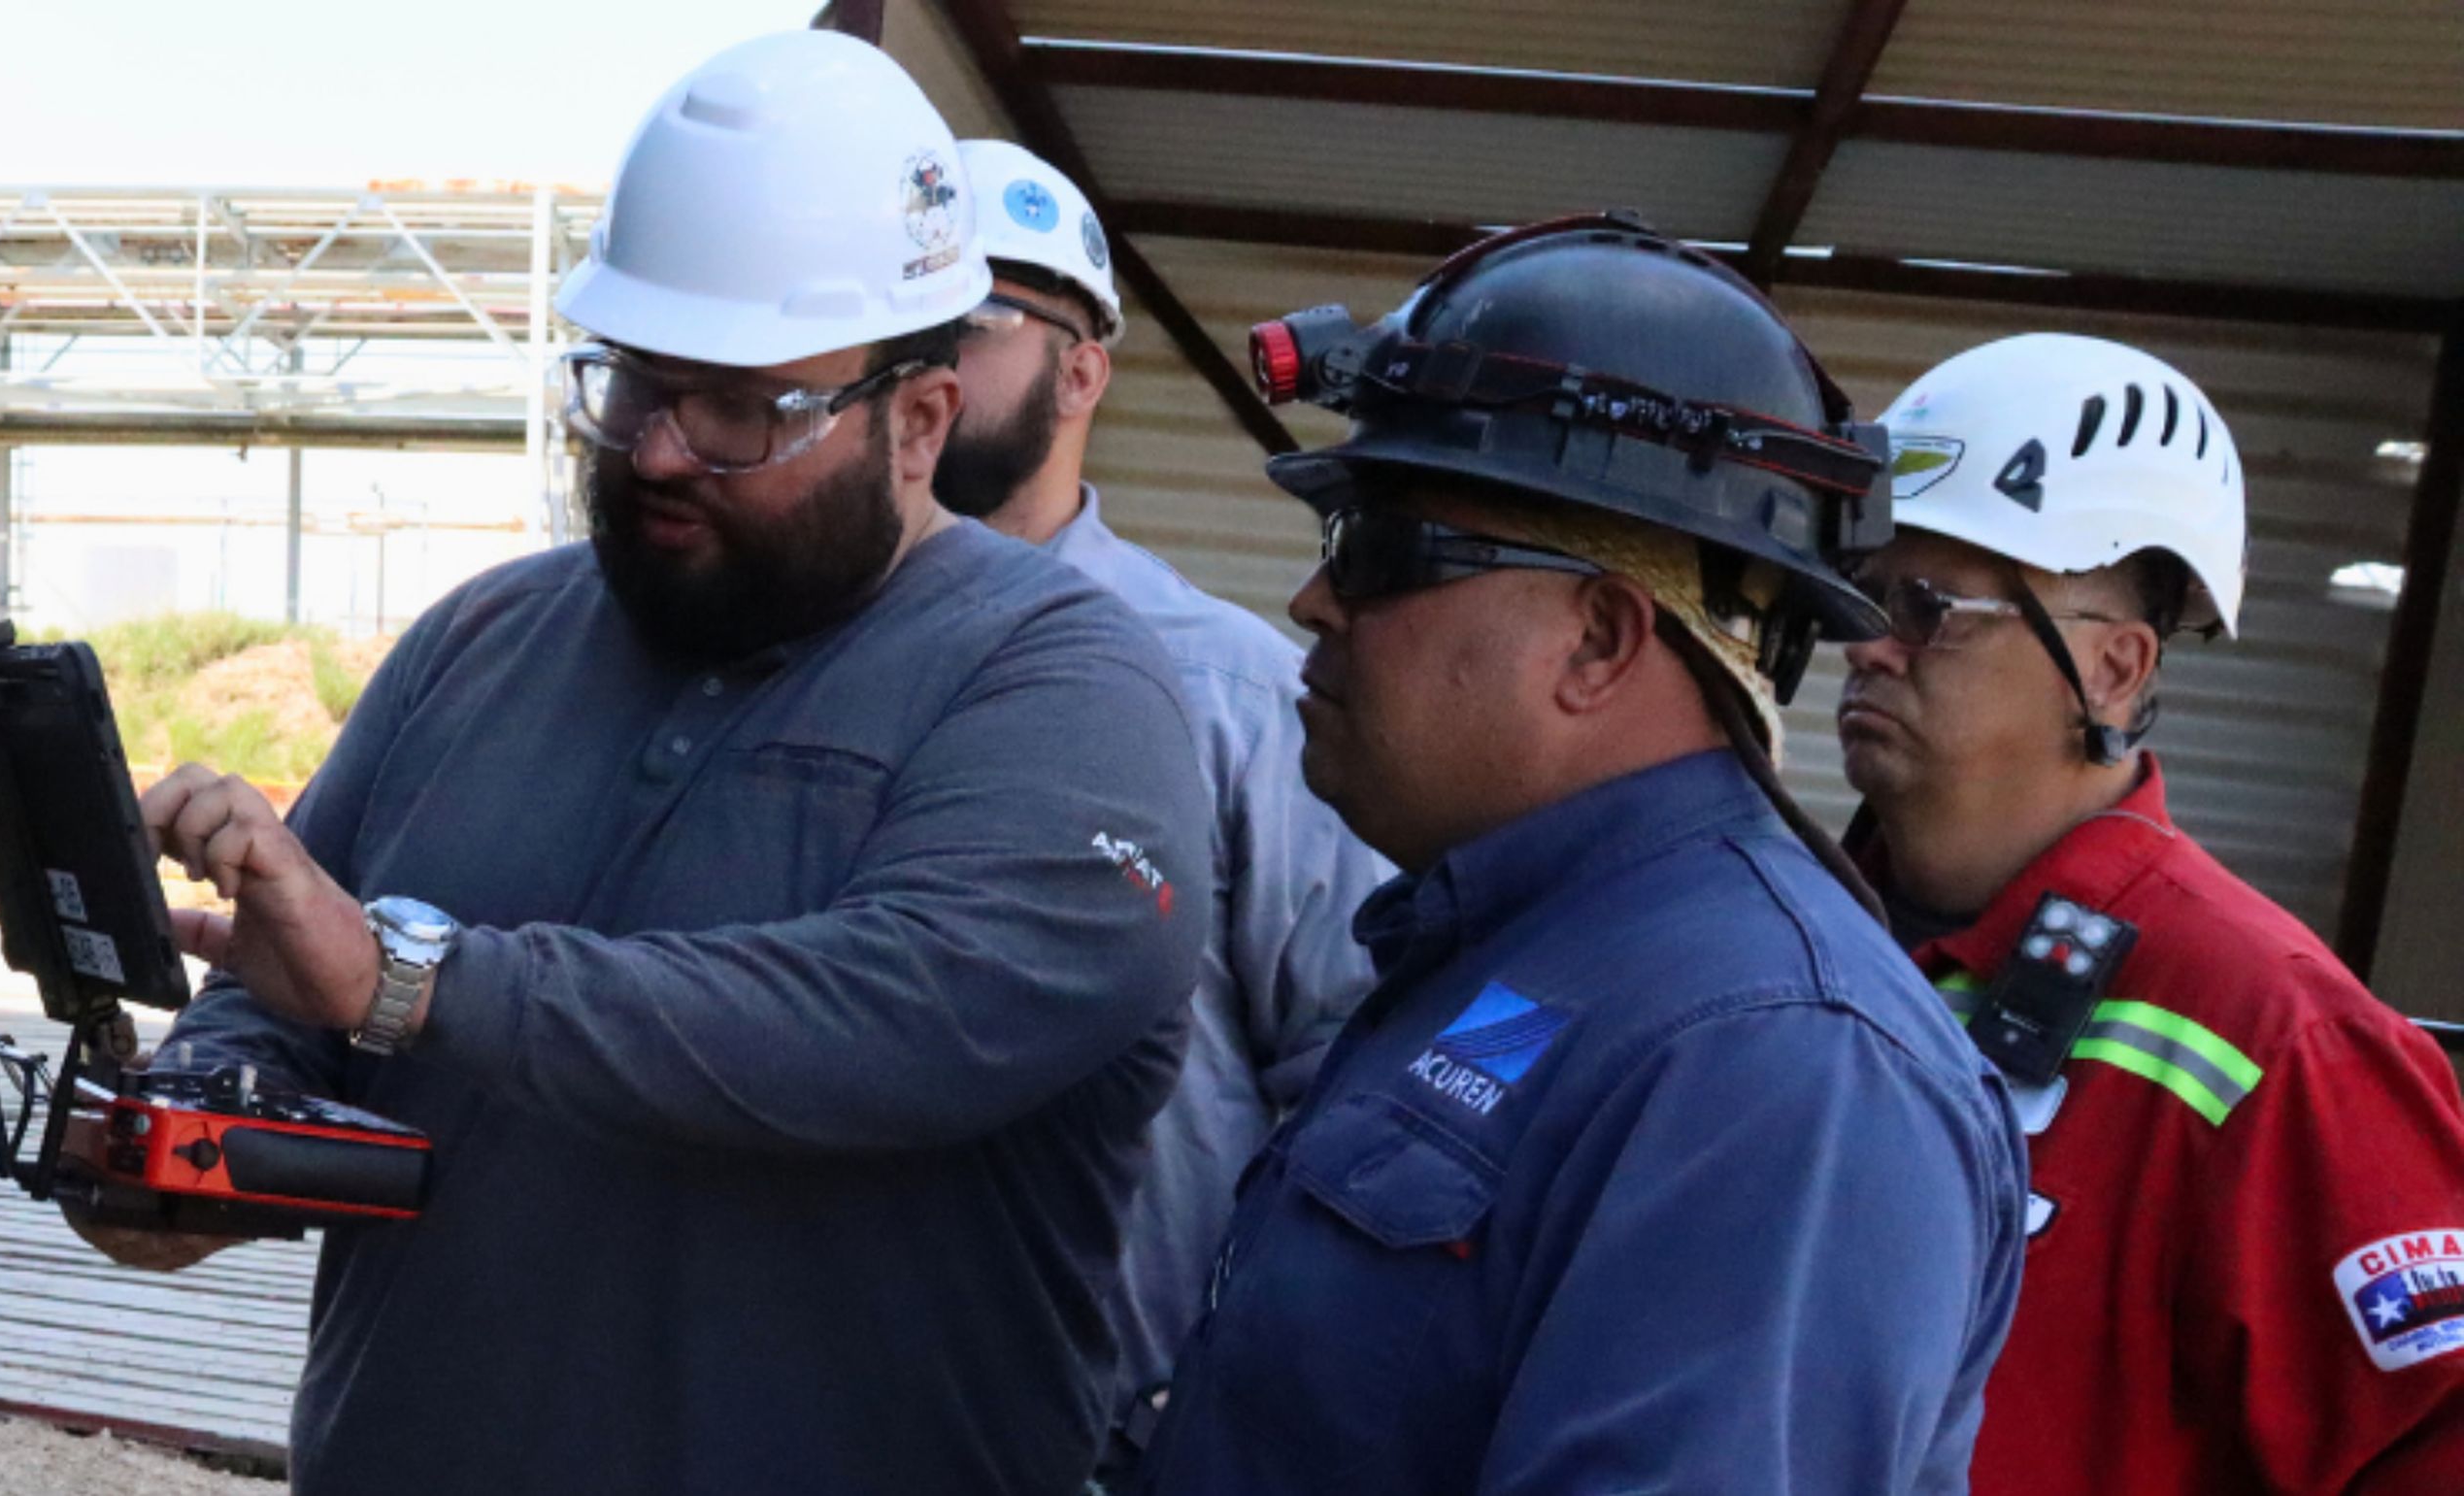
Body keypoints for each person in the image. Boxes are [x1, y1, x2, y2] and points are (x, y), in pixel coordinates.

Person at [79, 31, 1215, 1494]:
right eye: (631, 385)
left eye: (742, 407)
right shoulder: (481, 640)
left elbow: (891, 1022)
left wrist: (409, 981)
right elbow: (291, 1000)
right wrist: (185, 1140)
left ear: (921, 420)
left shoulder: (1068, 688)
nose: (662, 450)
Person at [1127, 214, 2026, 1494]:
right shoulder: (1535, 956)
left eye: (1379, 553)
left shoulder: (1776, 1064)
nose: (1313, 603)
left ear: (1601, 640)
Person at [1842, 332, 2464, 1493]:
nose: (1868, 645)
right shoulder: (1799, 946)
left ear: (2117, 669)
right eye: (1867, 594)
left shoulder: (2278, 1035)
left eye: (1929, 606)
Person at [939, 137, 1386, 1470]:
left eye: (969, 323)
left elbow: (1349, 1083)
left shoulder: (1229, 695)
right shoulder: (781, 671)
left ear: (1083, 371)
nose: (919, 365)